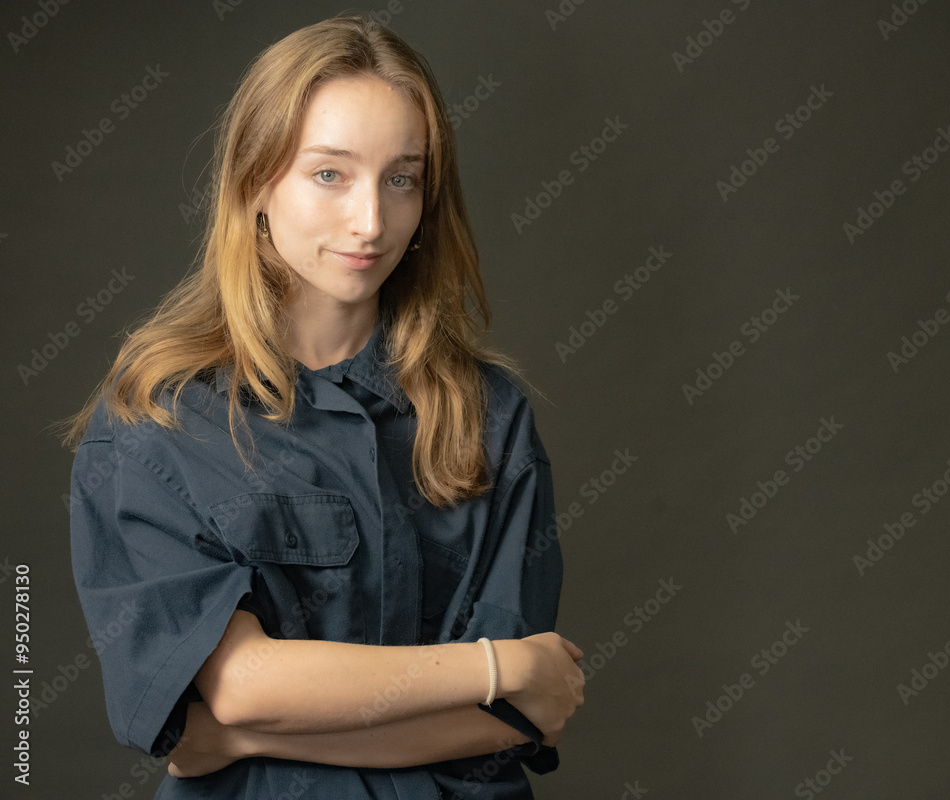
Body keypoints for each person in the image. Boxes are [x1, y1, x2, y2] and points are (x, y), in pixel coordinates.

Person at [60, 13, 585, 800]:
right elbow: (240, 682)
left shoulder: (491, 416)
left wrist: (230, 739)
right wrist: (493, 666)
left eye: (401, 177)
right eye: (330, 174)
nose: (371, 222)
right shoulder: (157, 422)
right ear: (255, 183)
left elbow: (517, 722)